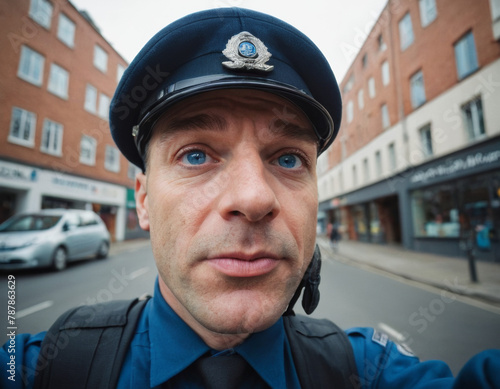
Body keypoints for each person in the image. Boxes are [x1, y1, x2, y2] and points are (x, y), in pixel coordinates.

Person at [2, 7, 499, 389]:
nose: (254, 197)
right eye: (196, 155)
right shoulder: (44, 367)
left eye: (287, 159)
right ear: (144, 200)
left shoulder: (367, 371)